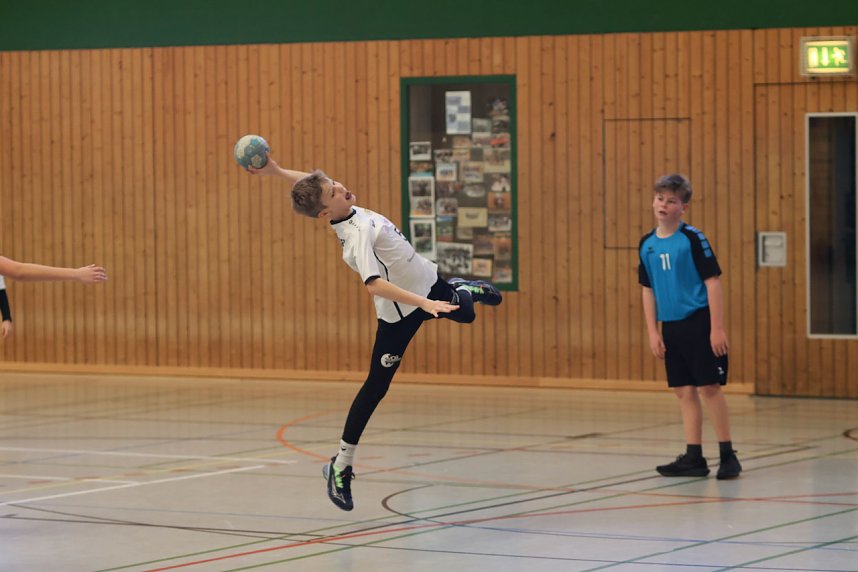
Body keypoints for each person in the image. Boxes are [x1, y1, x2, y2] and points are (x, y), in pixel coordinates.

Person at [247, 153, 503, 510]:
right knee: (376, 386)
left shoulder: (342, 205)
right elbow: (375, 285)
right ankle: (340, 465)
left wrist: (275, 171)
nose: (340, 187)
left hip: (426, 282)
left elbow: (312, 182)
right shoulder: (356, 235)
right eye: (333, 191)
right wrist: (425, 305)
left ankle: (462, 290)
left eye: (335, 184)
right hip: (402, 312)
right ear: (325, 212)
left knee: (467, 315)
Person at [638, 174, 741, 480]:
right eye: (660, 198)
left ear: (683, 207)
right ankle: (694, 457)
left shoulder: (693, 239)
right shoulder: (647, 244)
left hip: (699, 322)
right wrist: (653, 331)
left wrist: (716, 328)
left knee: (709, 387)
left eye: (671, 201)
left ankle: (727, 454)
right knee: (683, 391)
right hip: (671, 327)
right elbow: (647, 288)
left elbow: (713, 282)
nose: (663, 205)